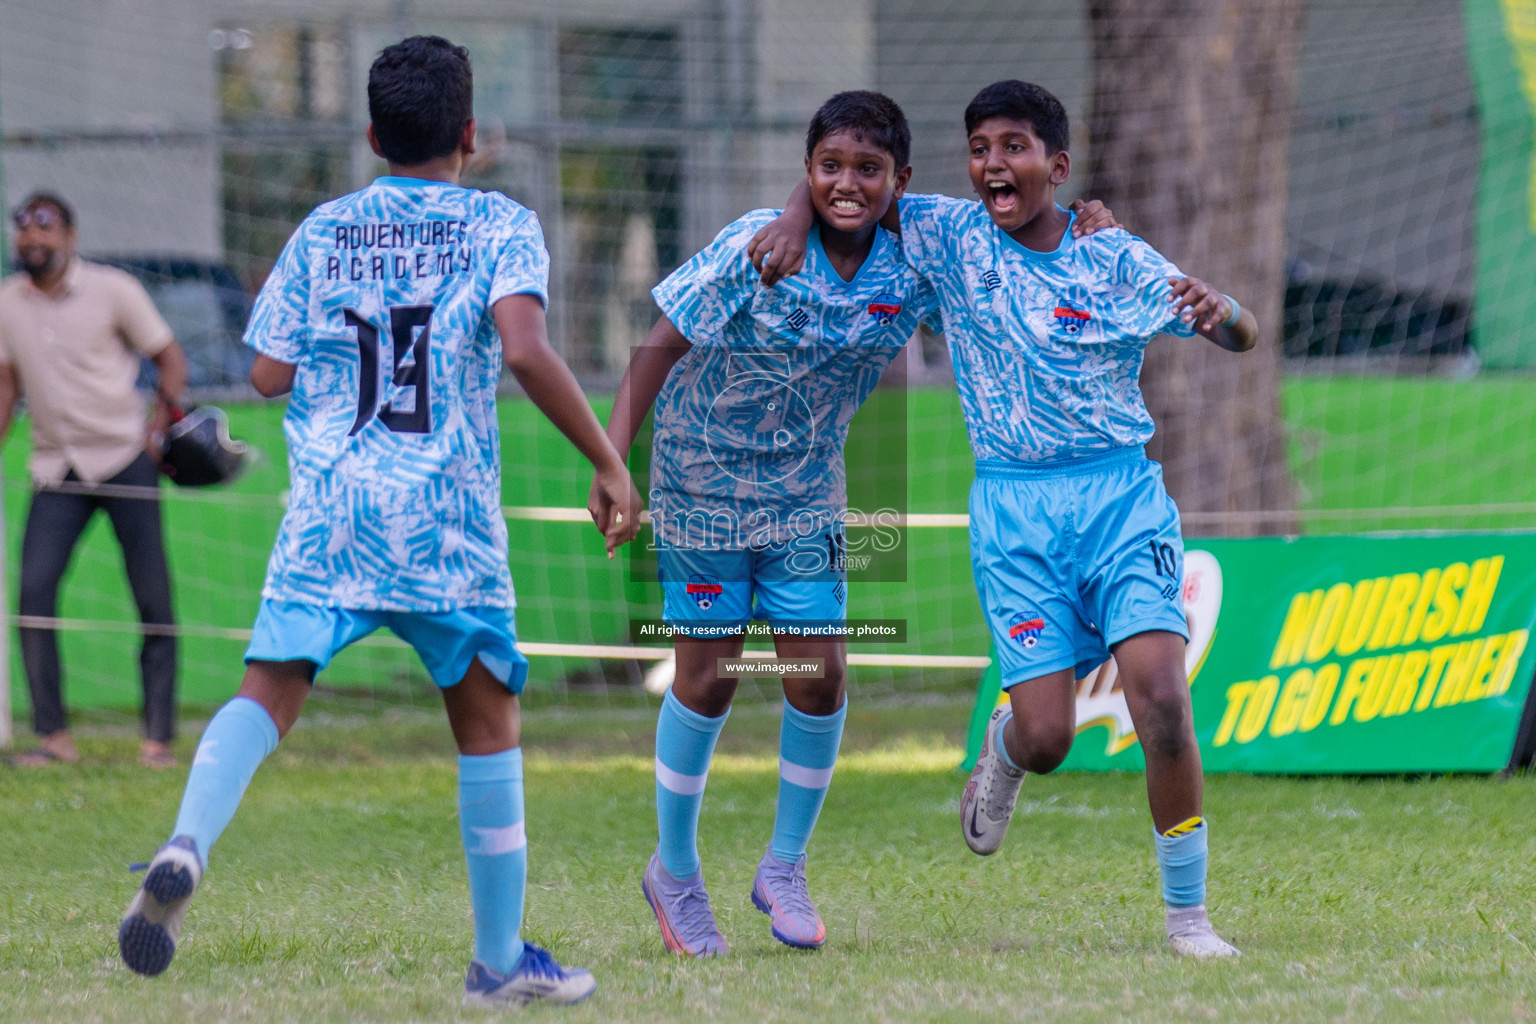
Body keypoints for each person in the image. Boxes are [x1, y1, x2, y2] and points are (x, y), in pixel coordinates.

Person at [117, 36, 640, 1009]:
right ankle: (494, 961)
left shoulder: (324, 229)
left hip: (331, 510)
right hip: (446, 521)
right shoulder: (499, 223)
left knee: (266, 694)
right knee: (487, 724)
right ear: (471, 134)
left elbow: (269, 372)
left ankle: (187, 839)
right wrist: (607, 461)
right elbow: (524, 348)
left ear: (371, 134)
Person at [598, 91, 1117, 958]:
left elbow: (1022, 226)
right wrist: (612, 460)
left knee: (821, 675)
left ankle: (785, 866)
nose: (846, 184)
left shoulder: (918, 260)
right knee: (710, 675)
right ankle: (676, 872)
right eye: (827, 169)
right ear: (805, 173)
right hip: (698, 487)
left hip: (807, 495)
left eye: (867, 170)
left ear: (900, 182)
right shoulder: (756, 243)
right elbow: (658, 344)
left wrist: (1092, 218)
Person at [751, 80, 1257, 958]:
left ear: (1056, 167)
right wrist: (796, 217)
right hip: (1015, 513)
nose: (995, 163)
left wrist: (1227, 311)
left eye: (1016, 147)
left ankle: (1189, 918)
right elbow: (852, 180)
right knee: (1052, 736)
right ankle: (1009, 750)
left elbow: (1241, 335)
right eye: (981, 147)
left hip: (1120, 502)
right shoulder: (948, 235)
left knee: (1163, 702)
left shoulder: (1114, 257)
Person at [0, 191, 188, 769]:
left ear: (71, 237)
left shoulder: (114, 290)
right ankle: (54, 739)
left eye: (45, 229)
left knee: (152, 599)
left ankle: (158, 741)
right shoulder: (7, 302)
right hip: (56, 467)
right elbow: (6, 385)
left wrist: (161, 425)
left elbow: (170, 358)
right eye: (23, 230)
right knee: (33, 596)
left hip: (123, 457)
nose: (32, 240)